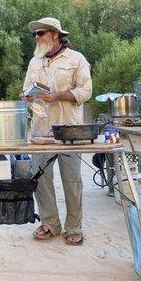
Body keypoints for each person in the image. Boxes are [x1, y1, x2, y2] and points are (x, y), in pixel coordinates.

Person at [20, 17, 92, 246]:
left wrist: (58, 96)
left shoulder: (76, 59)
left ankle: (74, 227)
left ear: (55, 35)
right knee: (40, 177)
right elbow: (26, 90)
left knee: (71, 180)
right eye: (35, 34)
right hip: (40, 130)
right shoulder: (34, 62)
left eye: (40, 33)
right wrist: (28, 97)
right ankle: (50, 224)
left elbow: (86, 91)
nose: (36, 38)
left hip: (70, 131)